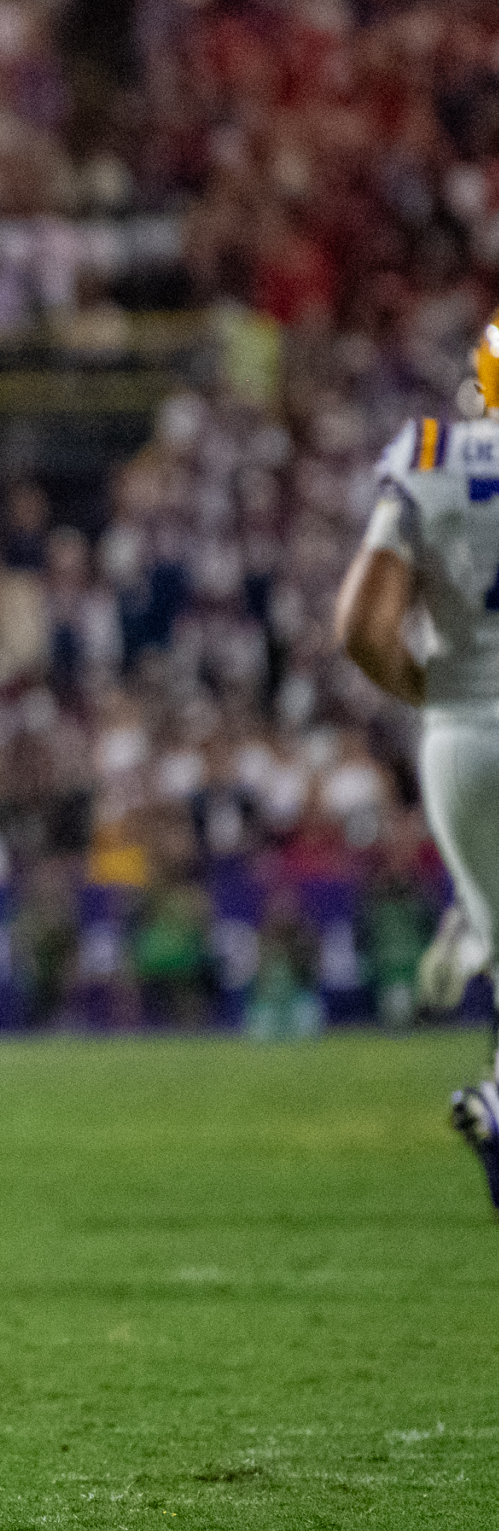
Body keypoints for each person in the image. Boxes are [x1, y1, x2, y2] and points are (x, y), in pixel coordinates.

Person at [334, 328, 499, 1215]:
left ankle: (475, 928)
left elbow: (363, 627)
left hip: (464, 734)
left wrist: (436, 691)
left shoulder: (434, 453)